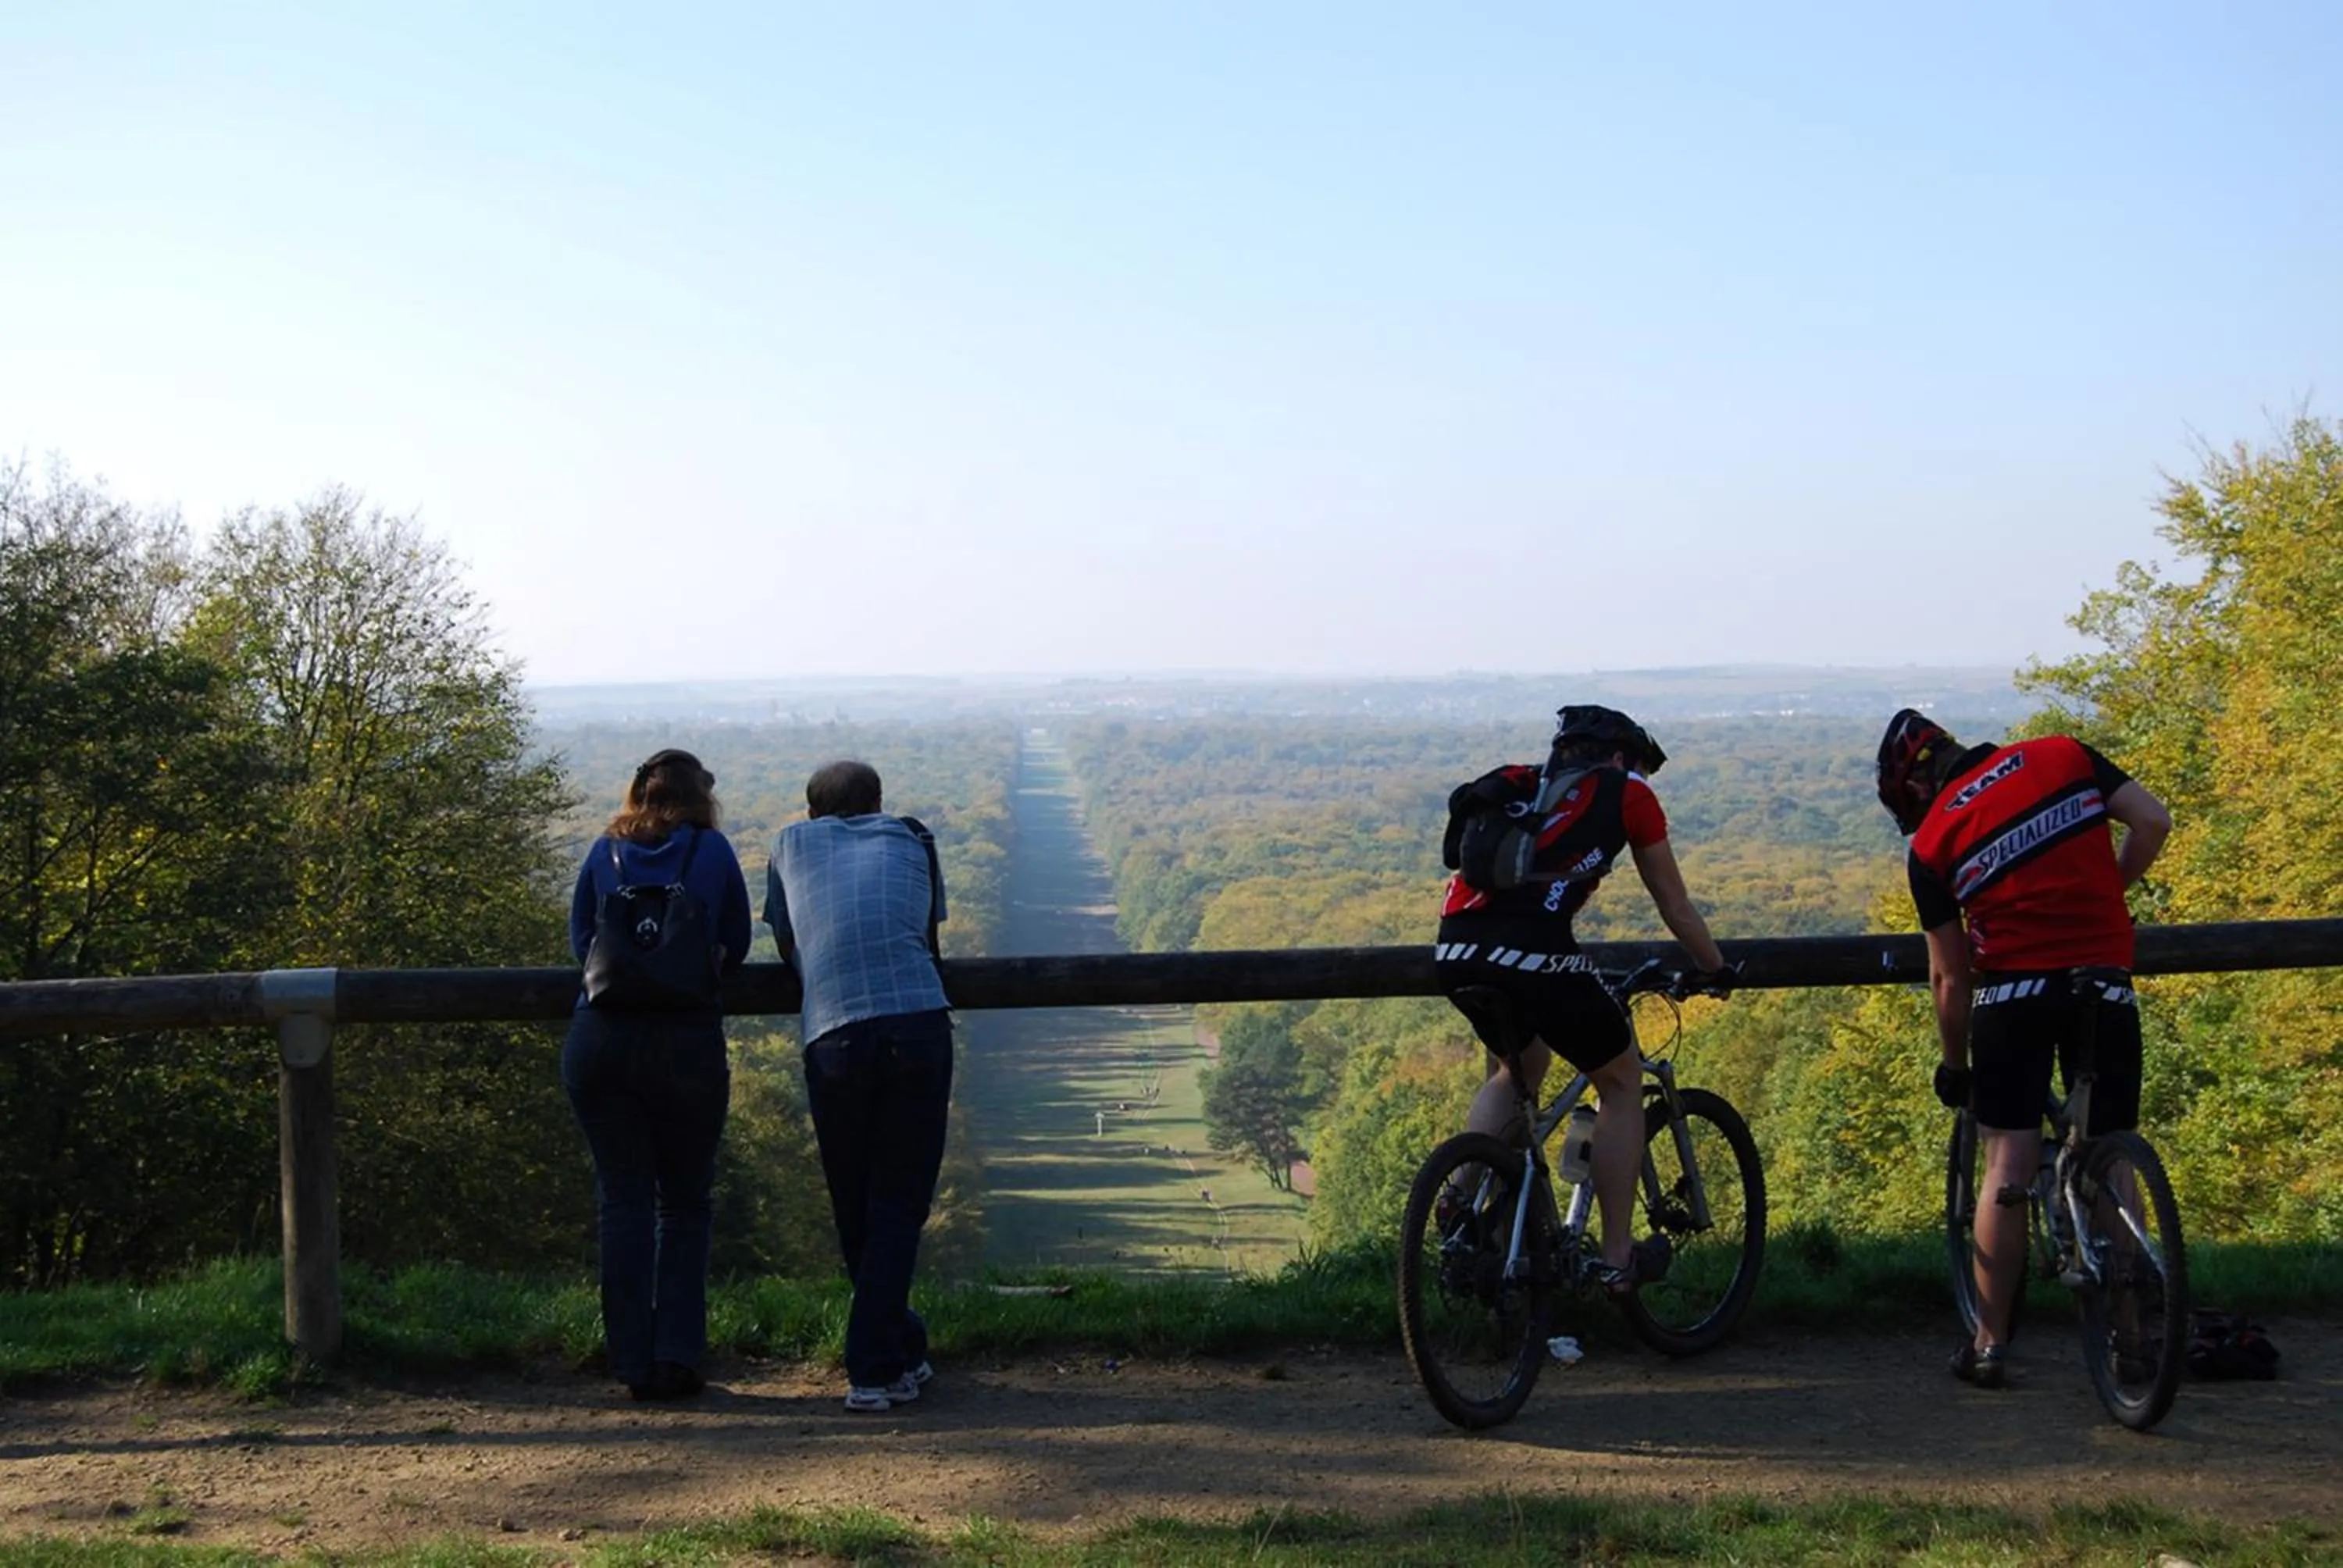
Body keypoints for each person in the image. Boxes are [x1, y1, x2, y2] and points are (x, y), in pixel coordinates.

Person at [1874, 708, 2172, 1388]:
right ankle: (2132, 1338)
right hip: (2106, 981)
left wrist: (1956, 1068)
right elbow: (2153, 822)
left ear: (1916, 790)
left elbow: (1950, 976)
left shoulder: (1930, 846)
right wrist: (2109, 897)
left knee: (2007, 1159)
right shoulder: (2064, 755)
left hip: (2014, 996)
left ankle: (1987, 1343)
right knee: (2113, 1149)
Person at [1433, 704, 1732, 1294]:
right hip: (1534, 955)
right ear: (1622, 758)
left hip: (1454, 951)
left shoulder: (1519, 784)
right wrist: (1715, 967)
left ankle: (1460, 1198)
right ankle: (1617, 1259)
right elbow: (1674, 905)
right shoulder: (1629, 794)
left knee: (1520, 1067)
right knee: (1620, 1083)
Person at [563, 748, 752, 1402]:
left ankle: (630, 1362)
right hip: (685, 1043)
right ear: (701, 796)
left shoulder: (600, 852)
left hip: (601, 1040)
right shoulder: (712, 853)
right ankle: (677, 1356)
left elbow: (580, 942)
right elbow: (738, 944)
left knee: (624, 1202)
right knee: (686, 1202)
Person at [766, 759, 952, 1413]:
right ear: (877, 803)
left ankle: (894, 1352)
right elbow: (928, 936)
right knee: (900, 1199)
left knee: (855, 1199)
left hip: (833, 1033)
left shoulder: (788, 845)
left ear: (812, 810)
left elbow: (790, 944)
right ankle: (877, 1363)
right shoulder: (912, 837)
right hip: (915, 1021)